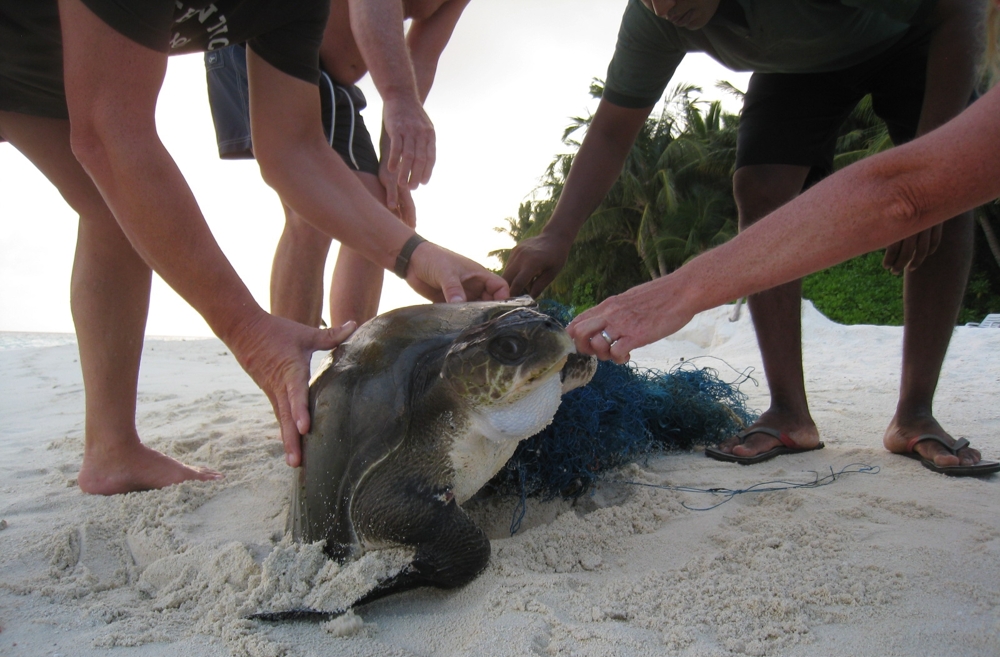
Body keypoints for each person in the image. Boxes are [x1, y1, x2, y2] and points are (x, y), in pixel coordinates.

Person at [0, 0, 508, 495]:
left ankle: (111, 451)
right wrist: (249, 330)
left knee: (115, 213)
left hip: (46, 58)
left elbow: (294, 150)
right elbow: (111, 130)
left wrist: (413, 254)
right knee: (115, 171)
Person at [503, 0, 988, 474]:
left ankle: (915, 412)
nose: (663, 6)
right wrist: (557, 233)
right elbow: (612, 131)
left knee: (949, 185)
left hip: (915, 36)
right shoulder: (653, 17)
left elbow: (959, 10)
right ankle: (788, 413)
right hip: (800, 63)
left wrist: (931, 176)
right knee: (759, 186)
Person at [206, 0, 471, 329]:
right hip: (270, 39)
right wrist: (397, 97)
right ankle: (292, 368)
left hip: (331, 80)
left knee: (381, 206)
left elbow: (423, 54)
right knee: (313, 212)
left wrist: (394, 156)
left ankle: (352, 361)